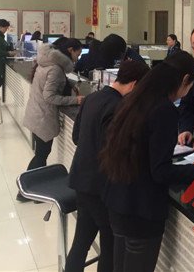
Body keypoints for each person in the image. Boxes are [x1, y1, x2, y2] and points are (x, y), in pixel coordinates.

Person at [99, 51, 194, 272]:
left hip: (117, 200)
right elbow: (161, 171)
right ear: (185, 79)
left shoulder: (132, 100)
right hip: (141, 210)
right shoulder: (164, 110)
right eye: (190, 86)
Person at [66, 60, 150, 272]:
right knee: (109, 247)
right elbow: (115, 152)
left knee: (81, 242)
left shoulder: (92, 98)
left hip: (81, 180)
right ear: (134, 84)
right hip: (102, 188)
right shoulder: (119, 107)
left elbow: (76, 137)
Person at [19, 38, 85, 201]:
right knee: (41, 155)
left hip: (36, 112)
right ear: (70, 50)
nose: (78, 58)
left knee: (40, 153)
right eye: (78, 54)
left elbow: (48, 82)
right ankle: (26, 192)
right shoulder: (56, 68)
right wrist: (75, 100)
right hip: (43, 116)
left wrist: (69, 83)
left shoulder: (47, 61)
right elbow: (49, 96)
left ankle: (31, 191)